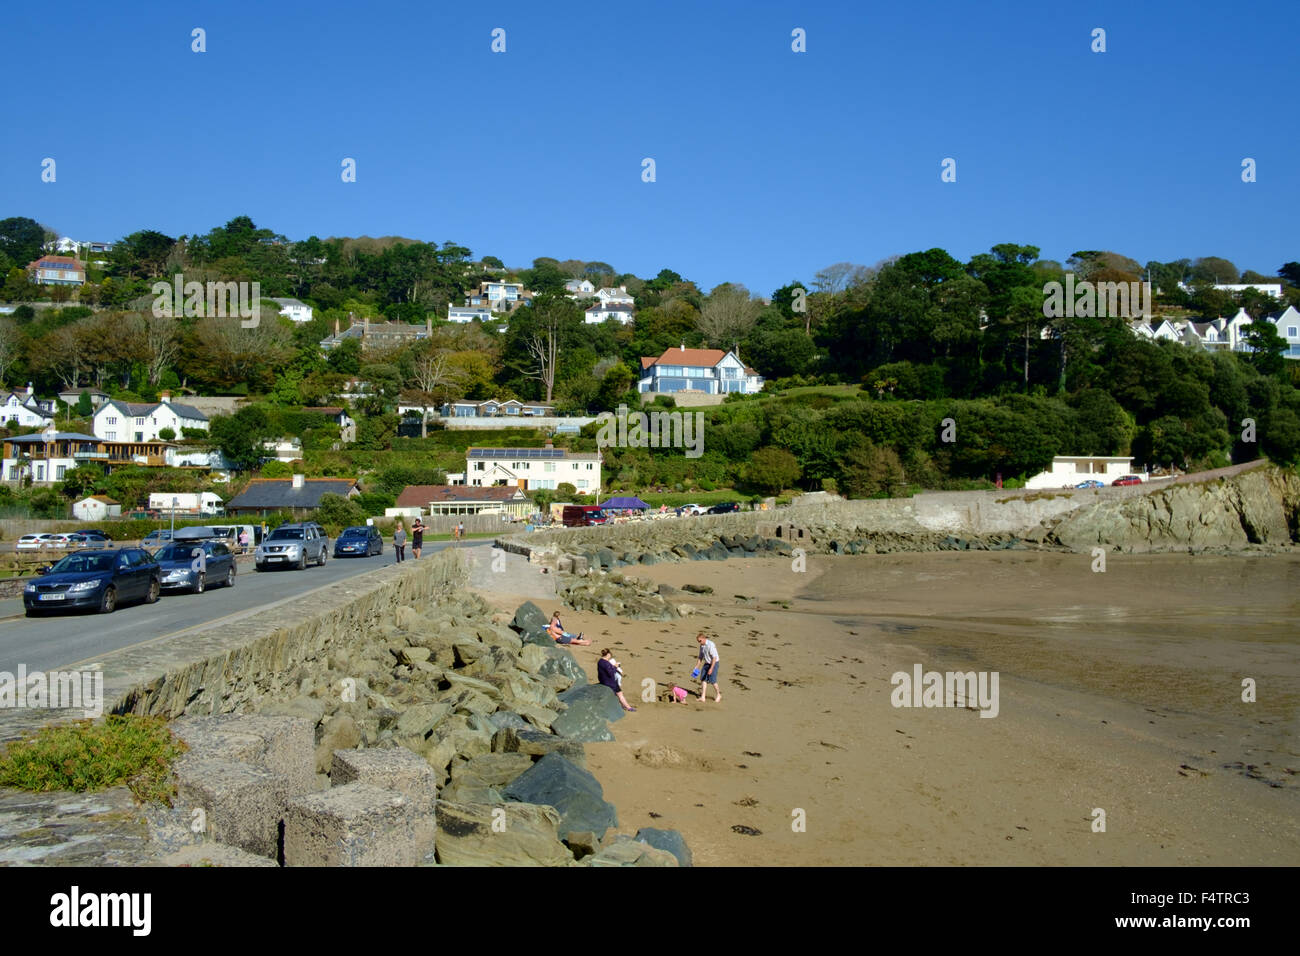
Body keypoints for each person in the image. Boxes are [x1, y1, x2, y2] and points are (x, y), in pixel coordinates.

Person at [696, 632, 721, 702]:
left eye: (700, 641)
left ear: (704, 638)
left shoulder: (710, 645)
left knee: (713, 681)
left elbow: (714, 658)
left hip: (714, 663)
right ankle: (703, 697)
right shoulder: (702, 646)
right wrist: (697, 667)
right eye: (698, 641)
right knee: (703, 679)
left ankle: (718, 694)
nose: (699, 643)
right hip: (707, 663)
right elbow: (700, 657)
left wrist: (711, 668)